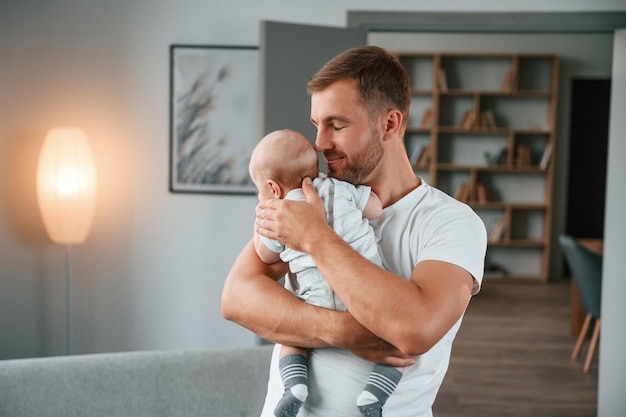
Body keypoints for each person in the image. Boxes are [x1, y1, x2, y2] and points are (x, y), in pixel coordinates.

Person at [222, 45, 487, 417]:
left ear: (389, 124)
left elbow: (414, 329)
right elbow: (237, 299)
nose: (320, 143)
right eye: (317, 125)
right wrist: (345, 332)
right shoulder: (308, 197)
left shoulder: (451, 222)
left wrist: (314, 238)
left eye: (337, 125)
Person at [248, 129, 404, 417]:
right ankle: (374, 395)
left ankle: (295, 386)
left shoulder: (279, 215)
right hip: (362, 295)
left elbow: (265, 254)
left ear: (271, 187)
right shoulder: (338, 189)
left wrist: (261, 218)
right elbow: (375, 208)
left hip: (313, 300)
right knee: (396, 344)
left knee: (292, 339)